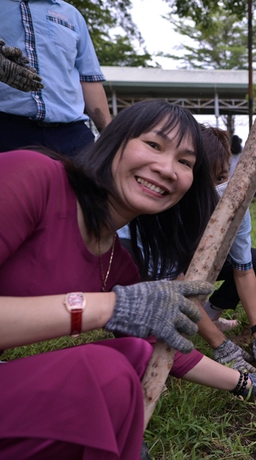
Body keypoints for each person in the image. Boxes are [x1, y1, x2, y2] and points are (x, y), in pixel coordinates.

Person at [0, 100, 218, 458]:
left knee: (131, 353)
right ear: (114, 140)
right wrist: (107, 306)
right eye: (153, 144)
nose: (166, 168)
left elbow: (164, 345)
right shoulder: (34, 176)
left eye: (185, 162)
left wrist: (245, 382)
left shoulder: (115, 260)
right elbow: (113, 309)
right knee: (104, 371)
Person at [121, 124, 256, 376]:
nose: (215, 187)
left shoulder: (234, 202)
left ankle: (209, 314)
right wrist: (222, 346)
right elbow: (178, 284)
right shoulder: (166, 205)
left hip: (190, 262)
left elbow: (243, 270)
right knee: (146, 327)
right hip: (145, 268)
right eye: (206, 179)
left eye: (221, 177)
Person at [0, 0, 111, 157]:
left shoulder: (72, 15)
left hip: (72, 136)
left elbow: (89, 79)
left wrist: (112, 138)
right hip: (7, 130)